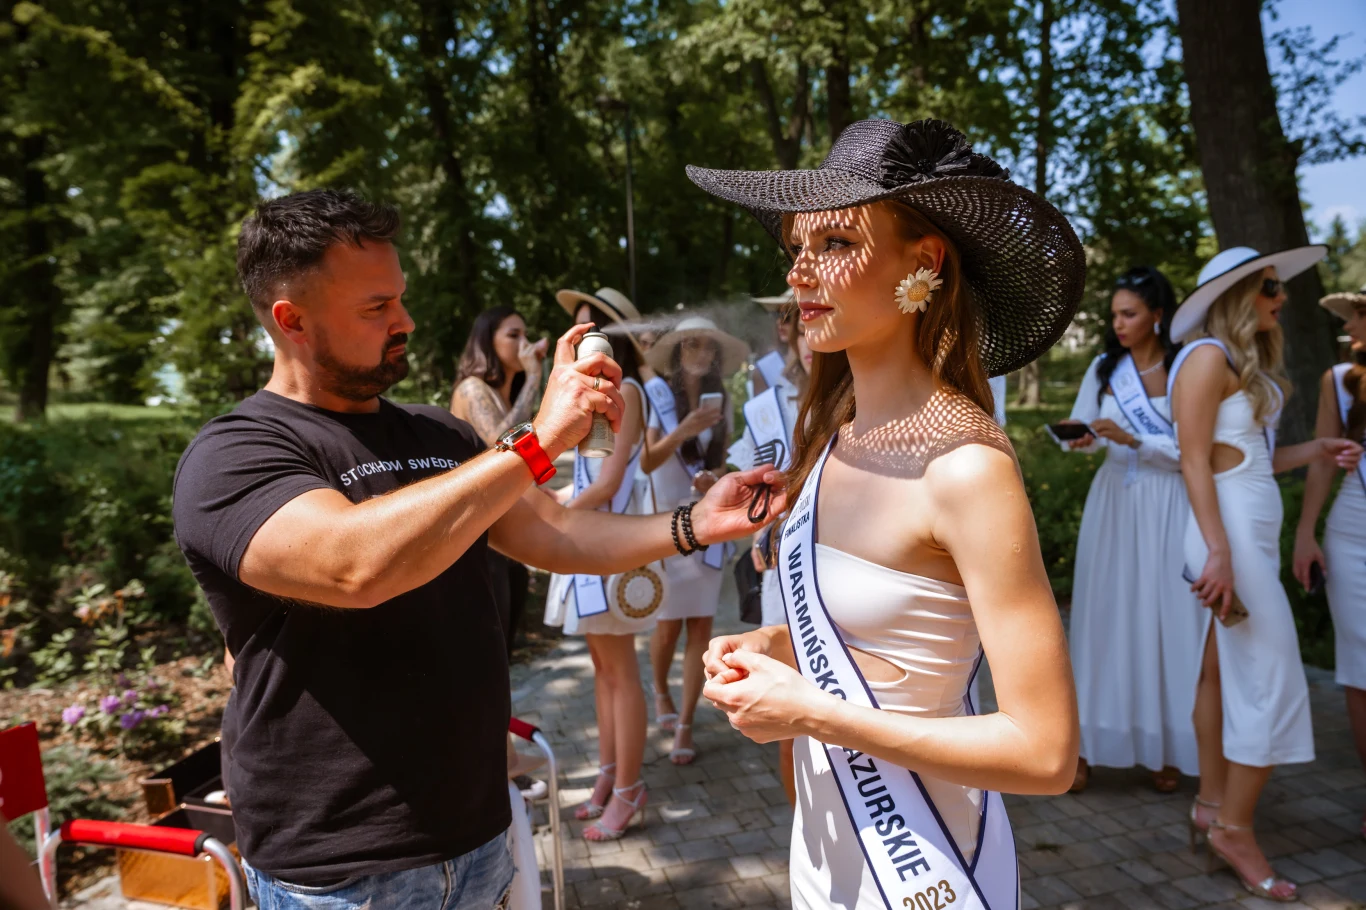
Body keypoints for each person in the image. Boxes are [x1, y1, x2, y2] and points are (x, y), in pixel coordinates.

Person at [171, 188, 784, 910]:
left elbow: (552, 530)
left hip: (479, 840)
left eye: (400, 297)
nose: (405, 320)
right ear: (291, 319)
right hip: (342, 874)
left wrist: (694, 524)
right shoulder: (237, 453)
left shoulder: (438, 436)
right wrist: (536, 442)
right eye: (377, 307)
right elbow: (354, 565)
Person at [689, 118, 1082, 909]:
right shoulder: (833, 438)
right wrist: (772, 644)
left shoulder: (967, 472)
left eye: (835, 244)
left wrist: (814, 715)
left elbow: (1047, 754)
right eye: (797, 248)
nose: (802, 272)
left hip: (928, 863)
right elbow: (874, 640)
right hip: (825, 852)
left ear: (925, 264)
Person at [1168, 245, 1362, 901]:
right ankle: (1234, 828)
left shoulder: (1238, 365)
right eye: (1271, 287)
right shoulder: (1204, 358)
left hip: (1247, 532)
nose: (1282, 298)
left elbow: (1254, 459)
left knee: (1220, 673)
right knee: (1276, 680)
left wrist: (1321, 448)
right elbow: (1193, 461)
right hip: (1228, 542)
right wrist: (1218, 552)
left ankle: (1210, 805)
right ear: (1239, 293)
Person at [1057, 266, 1200, 794]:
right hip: (1114, 502)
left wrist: (1140, 441)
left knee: (1168, 619)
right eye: (1114, 314)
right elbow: (1082, 425)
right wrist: (1082, 440)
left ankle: (1169, 748)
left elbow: (1198, 452)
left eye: (1129, 313)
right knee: (1105, 620)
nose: (1118, 323)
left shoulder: (1189, 367)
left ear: (1157, 316)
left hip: (1172, 506)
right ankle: (1086, 747)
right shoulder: (1103, 368)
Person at [544, 286, 659, 840]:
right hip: (588, 541)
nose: (583, 338)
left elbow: (611, 480)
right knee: (603, 670)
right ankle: (608, 777)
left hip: (609, 545)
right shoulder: (594, 393)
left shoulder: (628, 390)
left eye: (591, 329)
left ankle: (630, 788)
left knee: (621, 672)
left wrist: (556, 511)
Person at [641, 316, 750, 764]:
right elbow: (647, 460)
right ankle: (660, 689)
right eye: (690, 346)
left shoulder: (720, 398)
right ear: (676, 351)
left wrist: (717, 476)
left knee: (701, 628)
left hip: (706, 520)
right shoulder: (657, 397)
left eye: (707, 347)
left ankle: (685, 723)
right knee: (668, 626)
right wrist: (685, 428)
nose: (699, 354)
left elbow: (722, 460)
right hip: (666, 521)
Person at [1293, 283, 1366, 837]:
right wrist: (1306, 532)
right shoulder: (1340, 381)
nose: (1353, 326)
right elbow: (1322, 460)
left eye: (1361, 315)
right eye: (1355, 313)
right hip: (1353, 531)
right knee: (1360, 670)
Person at [730, 316, 812, 804]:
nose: (810, 344)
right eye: (801, 330)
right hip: (783, 569)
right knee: (790, 711)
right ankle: (803, 827)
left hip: (842, 565)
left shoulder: (857, 399)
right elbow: (750, 472)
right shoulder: (765, 408)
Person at [450, 305, 547, 658]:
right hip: (481, 540)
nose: (525, 342)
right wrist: (535, 377)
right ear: (487, 342)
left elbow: (525, 458)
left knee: (504, 645)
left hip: (506, 532)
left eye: (526, 333)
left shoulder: (506, 395)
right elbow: (502, 443)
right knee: (488, 653)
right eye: (513, 335)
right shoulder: (473, 389)